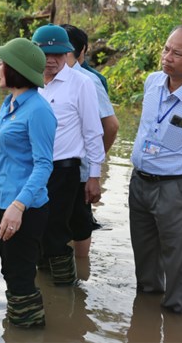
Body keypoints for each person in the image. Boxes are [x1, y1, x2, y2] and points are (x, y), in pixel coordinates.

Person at [128, 24, 182, 314]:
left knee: (180, 256)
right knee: (144, 252)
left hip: (177, 188)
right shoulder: (153, 82)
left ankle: (176, 316)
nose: (167, 57)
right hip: (140, 183)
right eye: (166, 49)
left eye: (177, 53)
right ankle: (145, 312)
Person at [0, 38, 56, 328]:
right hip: (5, 202)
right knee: (10, 270)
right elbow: (3, 157)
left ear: (17, 70)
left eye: (2, 63)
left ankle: (29, 327)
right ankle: (19, 324)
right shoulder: (10, 102)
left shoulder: (38, 110)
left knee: (20, 272)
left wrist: (17, 205)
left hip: (26, 208)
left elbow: (44, 165)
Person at [32, 24, 105, 285]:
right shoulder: (30, 80)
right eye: (45, 54)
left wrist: (94, 176)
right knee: (35, 228)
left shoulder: (81, 83)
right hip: (33, 171)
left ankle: (66, 289)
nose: (51, 61)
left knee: (55, 232)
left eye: (58, 55)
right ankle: (44, 283)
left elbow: (93, 131)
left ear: (68, 54)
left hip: (64, 171)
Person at [61, 24, 119, 258]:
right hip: (54, 168)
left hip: (79, 169)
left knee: (79, 223)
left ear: (78, 52)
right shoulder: (44, 77)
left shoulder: (88, 81)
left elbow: (111, 125)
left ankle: (81, 273)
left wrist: (95, 162)